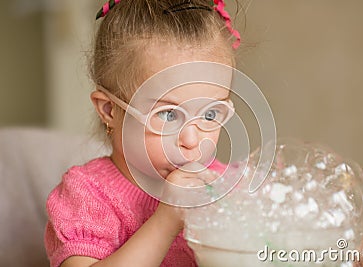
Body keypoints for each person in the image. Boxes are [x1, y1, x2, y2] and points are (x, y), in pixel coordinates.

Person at [44, 0, 239, 266]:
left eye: (209, 114)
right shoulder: (87, 196)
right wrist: (166, 221)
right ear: (110, 110)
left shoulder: (223, 185)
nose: (192, 141)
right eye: (169, 115)